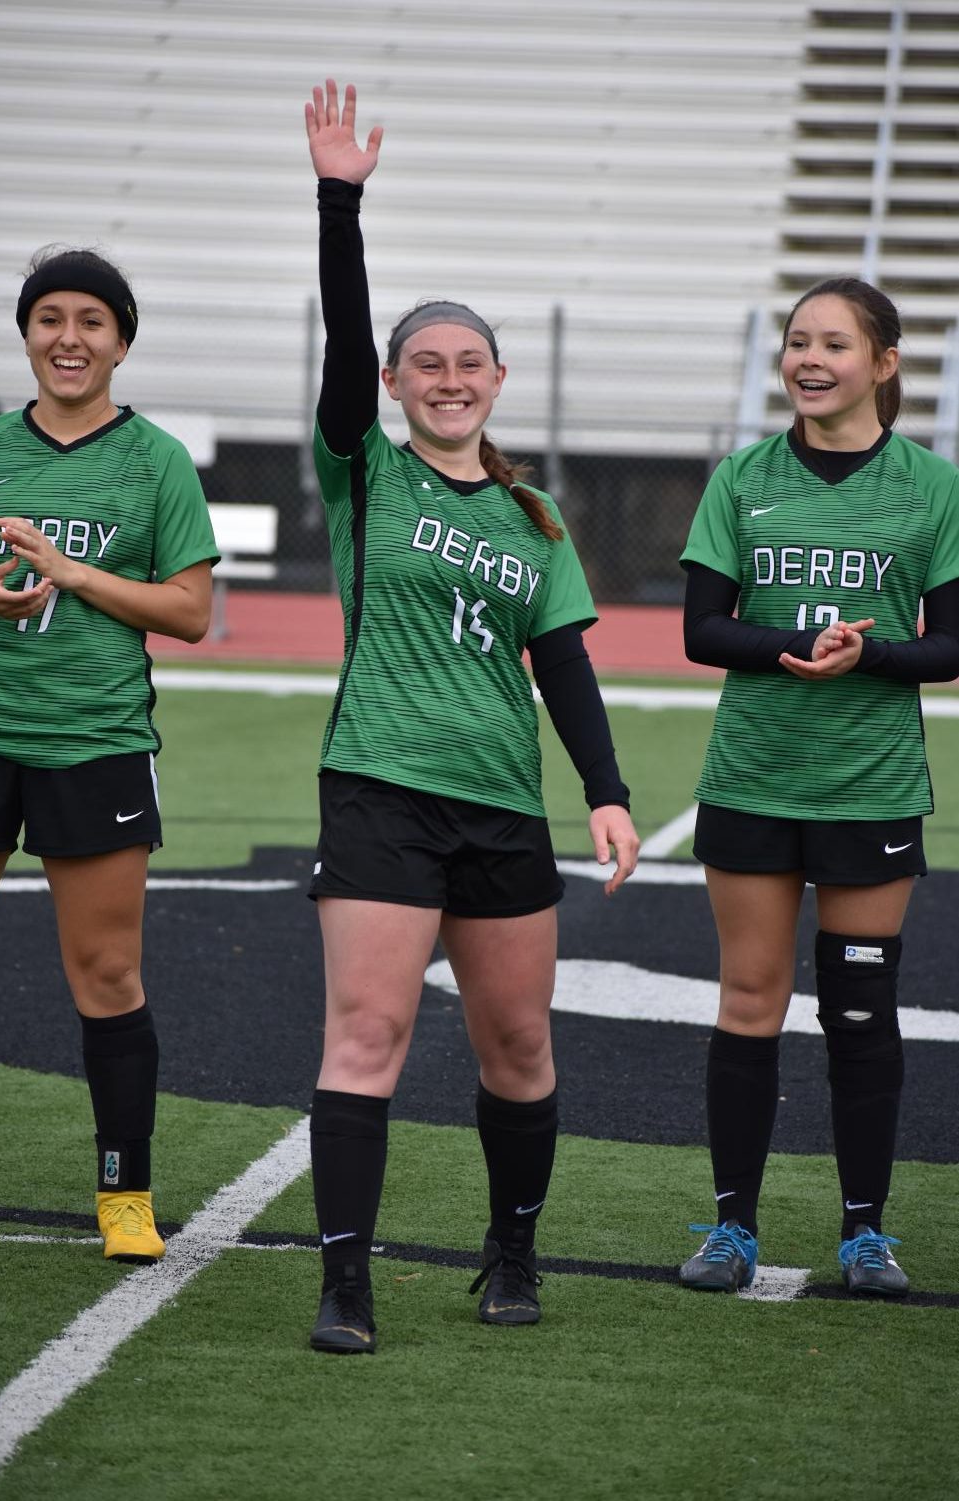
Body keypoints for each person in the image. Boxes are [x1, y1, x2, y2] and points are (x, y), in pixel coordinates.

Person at [302, 79, 639, 1354]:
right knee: (370, 1031)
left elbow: (562, 665)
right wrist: (342, 202)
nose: (448, 380)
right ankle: (345, 1282)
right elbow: (341, 346)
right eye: (424, 363)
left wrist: (604, 790)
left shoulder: (536, 516)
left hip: (503, 798)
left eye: (468, 363)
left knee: (517, 1047)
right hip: (380, 784)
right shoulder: (365, 470)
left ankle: (512, 1251)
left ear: (496, 379)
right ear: (396, 381)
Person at [679, 276, 959, 1296]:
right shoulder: (740, 477)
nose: (808, 359)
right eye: (796, 341)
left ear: (880, 363)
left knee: (858, 1011)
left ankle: (864, 1234)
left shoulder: (931, 486)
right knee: (748, 1000)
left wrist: (869, 655)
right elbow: (700, 630)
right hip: (752, 780)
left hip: (869, 785)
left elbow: (951, 647)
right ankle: (730, 1229)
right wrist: (799, 642)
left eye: (832, 344)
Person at [0, 245, 218, 1263]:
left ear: (120, 340)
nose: (69, 338)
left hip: (94, 743)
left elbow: (190, 612)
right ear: (26, 333)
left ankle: (124, 1192)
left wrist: (70, 569)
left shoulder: (154, 461)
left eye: (92, 322)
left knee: (107, 973)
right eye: (50, 318)